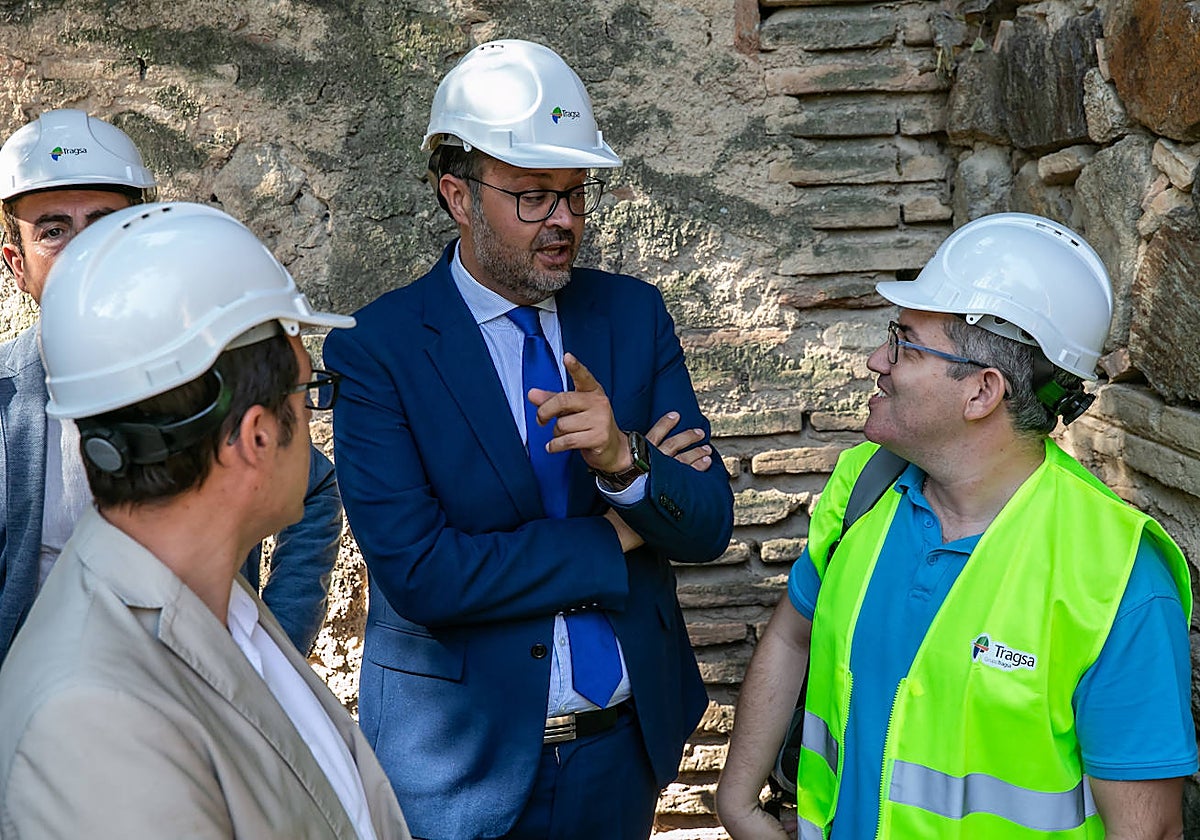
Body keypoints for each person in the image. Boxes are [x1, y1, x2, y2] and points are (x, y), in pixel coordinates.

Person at [324, 39, 735, 840]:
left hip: (623, 753)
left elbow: (708, 522)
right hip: (459, 773)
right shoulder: (378, 349)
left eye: (575, 195)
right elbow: (423, 575)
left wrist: (625, 463)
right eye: (535, 197)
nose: (564, 221)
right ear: (458, 195)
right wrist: (616, 534)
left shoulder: (632, 316)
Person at [715, 212, 1196, 839]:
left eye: (905, 343)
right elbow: (792, 637)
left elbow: (1147, 831)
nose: (876, 360)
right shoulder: (864, 485)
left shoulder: (1117, 576)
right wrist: (737, 802)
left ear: (982, 392)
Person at [0, 202, 411, 838]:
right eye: (309, 392)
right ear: (256, 436)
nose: (313, 416)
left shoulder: (225, 604)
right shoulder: (95, 716)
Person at [0, 108, 341, 661]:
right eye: (54, 231)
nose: (85, 249)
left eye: (104, 223)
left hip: (199, 690)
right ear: (17, 264)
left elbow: (313, 485)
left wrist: (270, 647)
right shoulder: (4, 402)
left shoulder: (201, 368)